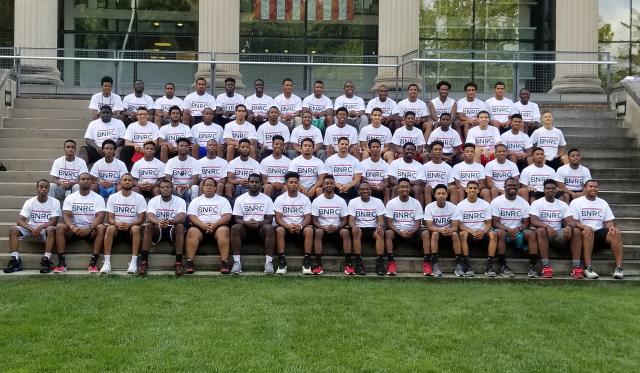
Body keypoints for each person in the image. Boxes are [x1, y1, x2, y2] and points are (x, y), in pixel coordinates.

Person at [569, 180, 624, 279]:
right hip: (583, 233)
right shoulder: (576, 202)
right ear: (585, 188)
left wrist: (611, 227)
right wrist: (584, 226)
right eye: (590, 186)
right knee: (588, 232)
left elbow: (608, 222)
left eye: (596, 187)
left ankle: (619, 268)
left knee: (615, 233)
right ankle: (588, 268)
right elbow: (573, 221)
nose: (593, 188)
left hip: (598, 232)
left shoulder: (602, 202)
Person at [3, 180, 61, 274]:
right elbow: (20, 220)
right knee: (13, 230)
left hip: (45, 229)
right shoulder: (30, 202)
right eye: (41, 187)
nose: (43, 189)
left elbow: (54, 221)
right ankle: (15, 260)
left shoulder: (55, 202)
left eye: (46, 187)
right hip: (31, 229)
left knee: (51, 229)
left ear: (49, 189)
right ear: (36, 188)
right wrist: (32, 229)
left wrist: (40, 227)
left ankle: (46, 260)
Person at [58, 173, 107, 274]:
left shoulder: (98, 198)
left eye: (88, 179)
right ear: (78, 181)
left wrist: (90, 227)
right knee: (59, 226)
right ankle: (61, 263)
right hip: (74, 230)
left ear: (91, 182)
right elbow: (66, 215)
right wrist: (72, 227)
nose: (85, 181)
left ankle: (93, 263)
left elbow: (101, 216)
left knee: (101, 227)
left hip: (90, 231)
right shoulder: (71, 197)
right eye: (83, 179)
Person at [530, 179, 579, 279]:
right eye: (548, 188)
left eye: (553, 188)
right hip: (544, 233)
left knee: (577, 231)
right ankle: (546, 266)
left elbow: (571, 221)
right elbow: (533, 221)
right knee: (540, 230)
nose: (550, 190)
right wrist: (547, 226)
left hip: (558, 233)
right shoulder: (537, 203)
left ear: (556, 190)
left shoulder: (562, 204)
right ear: (544, 190)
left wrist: (569, 227)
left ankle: (576, 266)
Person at [491, 177, 538, 278]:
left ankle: (532, 266)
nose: (512, 187)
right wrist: (508, 229)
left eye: (514, 185)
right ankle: (503, 266)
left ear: (518, 187)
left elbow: (526, 223)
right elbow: (495, 222)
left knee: (532, 233)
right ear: (504, 187)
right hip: (503, 231)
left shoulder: (524, 203)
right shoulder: (496, 202)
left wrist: (518, 229)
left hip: (518, 232)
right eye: (509, 185)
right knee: (500, 232)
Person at [185, 178, 232, 274]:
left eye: (211, 185)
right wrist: (203, 225)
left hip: (217, 227)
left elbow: (227, 216)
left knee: (224, 230)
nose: (209, 187)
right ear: (202, 187)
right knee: (191, 231)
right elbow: (191, 216)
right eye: (207, 185)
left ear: (215, 188)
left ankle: (224, 263)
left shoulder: (223, 200)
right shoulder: (196, 200)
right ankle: (189, 262)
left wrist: (214, 225)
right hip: (200, 227)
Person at [230, 173, 275, 273]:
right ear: (248, 183)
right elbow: (237, 218)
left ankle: (269, 263)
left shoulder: (267, 199)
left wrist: (258, 223)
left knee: (270, 228)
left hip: (260, 229)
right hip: (245, 229)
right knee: (235, 228)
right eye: (252, 182)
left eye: (256, 182)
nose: (254, 184)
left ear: (261, 184)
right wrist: (246, 223)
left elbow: (269, 218)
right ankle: (237, 263)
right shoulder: (240, 199)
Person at [102, 173, 147, 274]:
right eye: (125, 180)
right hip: (117, 229)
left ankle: (133, 262)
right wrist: (116, 223)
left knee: (136, 228)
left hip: (131, 230)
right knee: (110, 228)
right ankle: (107, 263)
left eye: (129, 180)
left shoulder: (139, 198)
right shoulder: (113, 197)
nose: (127, 182)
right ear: (120, 182)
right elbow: (109, 219)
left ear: (132, 183)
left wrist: (129, 225)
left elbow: (141, 219)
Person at [142, 179, 187, 276]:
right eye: (162, 187)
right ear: (159, 189)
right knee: (149, 225)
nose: (165, 189)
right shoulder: (154, 200)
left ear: (172, 189)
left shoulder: (180, 200)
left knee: (180, 226)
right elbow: (150, 216)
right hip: (158, 228)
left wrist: (169, 221)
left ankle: (178, 264)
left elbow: (182, 217)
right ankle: (144, 263)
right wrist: (159, 222)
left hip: (172, 228)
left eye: (167, 187)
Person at [273, 171, 314, 275]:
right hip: (286, 228)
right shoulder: (280, 199)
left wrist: (300, 226)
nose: (293, 184)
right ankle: (282, 261)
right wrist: (288, 226)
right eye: (291, 182)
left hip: (300, 229)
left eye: (296, 182)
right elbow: (278, 218)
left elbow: (308, 218)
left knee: (309, 230)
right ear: (286, 184)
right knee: (279, 229)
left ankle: (307, 261)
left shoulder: (305, 199)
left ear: (299, 184)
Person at [309, 175, 351, 275]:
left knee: (345, 231)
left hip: (336, 229)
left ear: (334, 185)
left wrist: (337, 227)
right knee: (318, 232)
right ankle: (318, 264)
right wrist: (322, 227)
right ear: (323, 185)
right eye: (327, 183)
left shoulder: (340, 200)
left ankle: (349, 264)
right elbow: (314, 220)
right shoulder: (317, 201)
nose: (329, 185)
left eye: (331, 183)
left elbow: (345, 220)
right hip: (322, 229)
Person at [384, 178, 426, 276]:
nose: (405, 189)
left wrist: (412, 231)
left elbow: (418, 223)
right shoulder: (391, 203)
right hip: (397, 232)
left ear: (410, 189)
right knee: (388, 233)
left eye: (407, 187)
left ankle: (427, 262)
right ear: (398, 189)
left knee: (426, 233)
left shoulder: (416, 203)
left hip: (412, 232)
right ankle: (391, 262)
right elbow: (389, 223)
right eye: (402, 187)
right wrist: (399, 232)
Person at [456, 181, 498, 277]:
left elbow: (488, 223)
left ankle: (489, 266)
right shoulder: (460, 205)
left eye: (475, 188)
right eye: (470, 188)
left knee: (493, 234)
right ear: (466, 190)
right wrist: (473, 232)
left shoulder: (485, 204)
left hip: (483, 234)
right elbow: (461, 225)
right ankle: (467, 265)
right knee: (462, 234)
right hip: (469, 234)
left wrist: (483, 232)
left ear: (478, 191)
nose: (472, 190)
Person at [423, 184, 464, 277]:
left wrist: (449, 230)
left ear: (447, 195)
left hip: (448, 233)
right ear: (435, 195)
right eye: (439, 193)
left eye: (443, 193)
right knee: (435, 234)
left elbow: (455, 227)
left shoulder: (453, 207)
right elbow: (429, 226)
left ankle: (459, 264)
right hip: (436, 233)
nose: (441, 195)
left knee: (455, 234)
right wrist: (441, 230)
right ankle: (434, 263)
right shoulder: (429, 207)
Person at [348, 182, 386, 276]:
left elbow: (380, 220)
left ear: (371, 191)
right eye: (362, 189)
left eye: (367, 189)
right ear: (358, 191)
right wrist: (354, 226)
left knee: (380, 232)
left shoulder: (378, 201)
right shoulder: (353, 202)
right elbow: (351, 220)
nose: (365, 191)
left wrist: (380, 226)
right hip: (359, 228)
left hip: (373, 228)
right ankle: (359, 263)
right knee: (356, 231)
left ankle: (380, 263)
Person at [164, 138, 201, 203]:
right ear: (177, 147)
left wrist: (186, 186)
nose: (183, 148)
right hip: (175, 187)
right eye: (181, 146)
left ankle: (193, 206)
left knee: (195, 187)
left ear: (188, 148)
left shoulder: (194, 161)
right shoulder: (171, 161)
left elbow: (195, 180)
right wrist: (175, 187)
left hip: (188, 187)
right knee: (167, 187)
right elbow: (167, 178)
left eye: (186, 146)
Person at [360, 139, 390, 204]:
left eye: (377, 147)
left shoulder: (385, 164)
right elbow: (363, 180)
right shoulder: (363, 163)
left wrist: (383, 186)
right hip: (368, 186)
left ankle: (386, 212)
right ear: (369, 149)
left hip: (380, 188)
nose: (376, 148)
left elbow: (387, 182)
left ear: (380, 148)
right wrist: (370, 185)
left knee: (387, 190)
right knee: (363, 187)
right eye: (373, 147)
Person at [260, 135, 291, 199]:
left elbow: (290, 178)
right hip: (270, 185)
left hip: (283, 185)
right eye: (276, 144)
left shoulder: (289, 162)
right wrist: (271, 184)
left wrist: (282, 184)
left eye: (281, 145)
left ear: (283, 146)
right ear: (272, 145)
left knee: (287, 187)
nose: (278, 146)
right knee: (268, 187)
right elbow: (264, 179)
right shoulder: (265, 161)